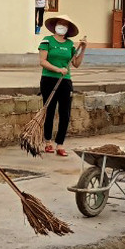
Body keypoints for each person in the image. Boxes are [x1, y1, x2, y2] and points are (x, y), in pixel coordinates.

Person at [38, 14, 86, 157]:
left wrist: (83, 48)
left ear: (68, 29)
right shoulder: (47, 41)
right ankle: (48, 142)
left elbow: (76, 64)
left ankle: (60, 144)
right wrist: (58, 69)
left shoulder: (70, 44)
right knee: (50, 110)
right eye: (60, 23)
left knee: (65, 113)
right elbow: (43, 61)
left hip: (65, 81)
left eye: (65, 24)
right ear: (55, 25)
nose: (62, 26)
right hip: (49, 79)